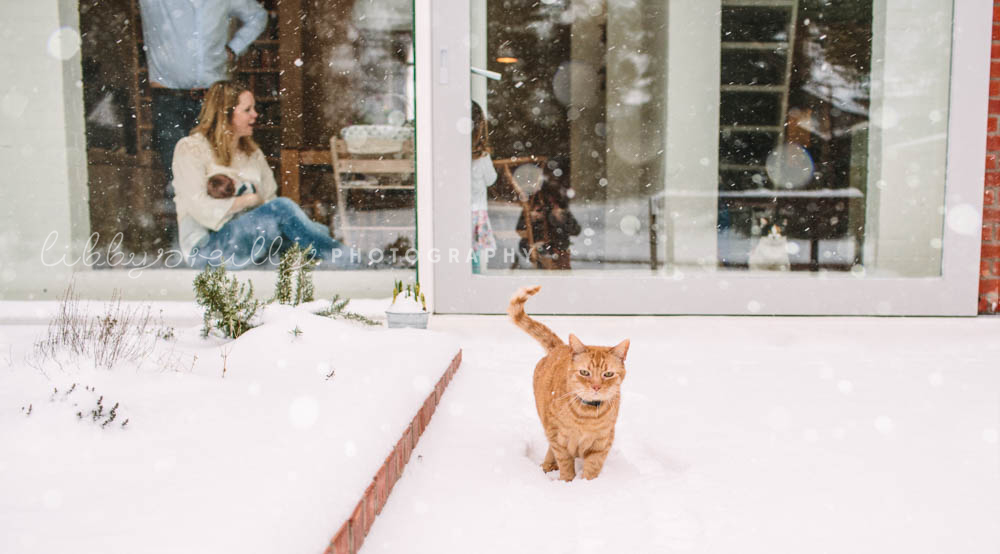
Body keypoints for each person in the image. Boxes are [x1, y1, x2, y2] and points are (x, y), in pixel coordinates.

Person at [172, 81, 351, 269]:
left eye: (254, 108)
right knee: (286, 212)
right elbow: (199, 206)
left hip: (250, 241)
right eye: (247, 109)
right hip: (208, 246)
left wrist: (264, 217)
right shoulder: (191, 148)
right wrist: (248, 201)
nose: (255, 114)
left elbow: (268, 201)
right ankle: (348, 259)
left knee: (312, 232)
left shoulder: (252, 153)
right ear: (225, 114)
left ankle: (344, 262)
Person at [138, 0, 268, 233]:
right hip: (168, 97)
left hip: (212, 99)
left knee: (219, 174)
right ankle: (185, 245)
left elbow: (258, 16)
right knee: (177, 177)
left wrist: (234, 48)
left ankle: (223, 242)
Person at [516, 155, 581, 270]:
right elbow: (520, 230)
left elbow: (576, 230)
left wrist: (562, 218)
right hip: (540, 248)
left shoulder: (558, 205)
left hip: (556, 250)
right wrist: (531, 218)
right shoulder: (534, 202)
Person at [470, 101, 498, 274]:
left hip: (460, 212)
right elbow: (491, 179)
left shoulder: (452, 155)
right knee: (474, 254)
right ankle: (473, 279)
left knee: (457, 252)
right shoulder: (481, 157)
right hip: (476, 212)